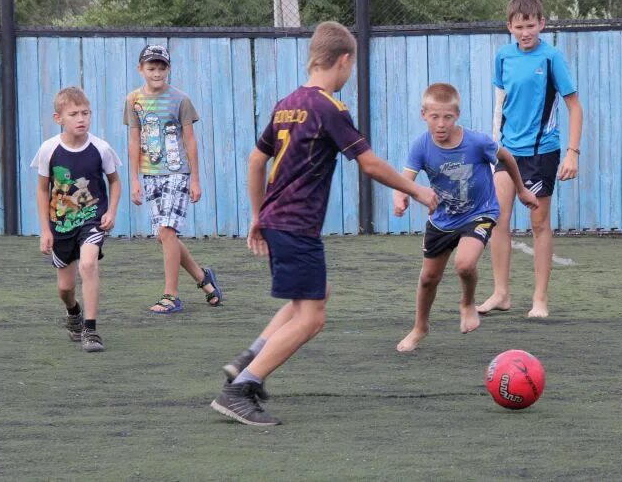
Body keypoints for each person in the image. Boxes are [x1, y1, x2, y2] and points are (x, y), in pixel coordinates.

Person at [210, 21, 439, 426]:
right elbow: (367, 162)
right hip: (297, 224)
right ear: (344, 60)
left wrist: (256, 214)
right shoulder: (328, 108)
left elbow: (256, 159)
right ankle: (241, 388)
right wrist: (417, 191)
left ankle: (248, 359)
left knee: (314, 296)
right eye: (351, 66)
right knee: (313, 317)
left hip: (279, 220)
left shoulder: (287, 103)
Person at [393, 83, 538, 352]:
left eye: (447, 117)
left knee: (464, 263)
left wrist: (521, 190)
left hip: (480, 211)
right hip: (443, 219)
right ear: (423, 114)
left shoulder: (477, 142)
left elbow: (506, 156)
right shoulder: (421, 146)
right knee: (428, 279)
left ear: (457, 115)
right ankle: (420, 327)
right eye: (434, 116)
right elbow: (406, 179)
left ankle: (467, 302)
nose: (441, 124)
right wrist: (400, 195)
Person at [476, 0, 584, 319]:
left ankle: (539, 300)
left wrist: (572, 153)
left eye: (531, 25)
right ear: (509, 26)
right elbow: (500, 107)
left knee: (538, 224)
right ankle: (501, 293)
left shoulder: (552, 58)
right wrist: (492, 148)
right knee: (497, 220)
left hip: (542, 154)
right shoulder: (503, 57)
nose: (525, 32)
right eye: (519, 26)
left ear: (542, 24)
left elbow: (574, 107)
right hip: (506, 153)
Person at [124, 44, 223, 313]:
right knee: (164, 237)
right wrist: (133, 179)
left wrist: (195, 179)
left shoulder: (181, 99)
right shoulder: (133, 100)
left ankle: (171, 296)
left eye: (161, 68)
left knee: (168, 231)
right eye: (151, 68)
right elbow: (134, 140)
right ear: (140, 70)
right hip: (150, 174)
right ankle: (205, 280)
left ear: (169, 69)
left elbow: (190, 140)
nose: (156, 73)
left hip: (178, 173)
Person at [31, 86, 122, 352]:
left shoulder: (101, 148)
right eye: (74, 114)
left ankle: (91, 330)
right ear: (58, 118)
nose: (81, 119)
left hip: (91, 219)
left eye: (86, 113)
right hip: (61, 225)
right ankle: (74, 312)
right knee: (65, 288)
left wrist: (111, 211)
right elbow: (41, 189)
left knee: (89, 264)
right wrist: (45, 230)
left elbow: (115, 183)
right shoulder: (49, 150)